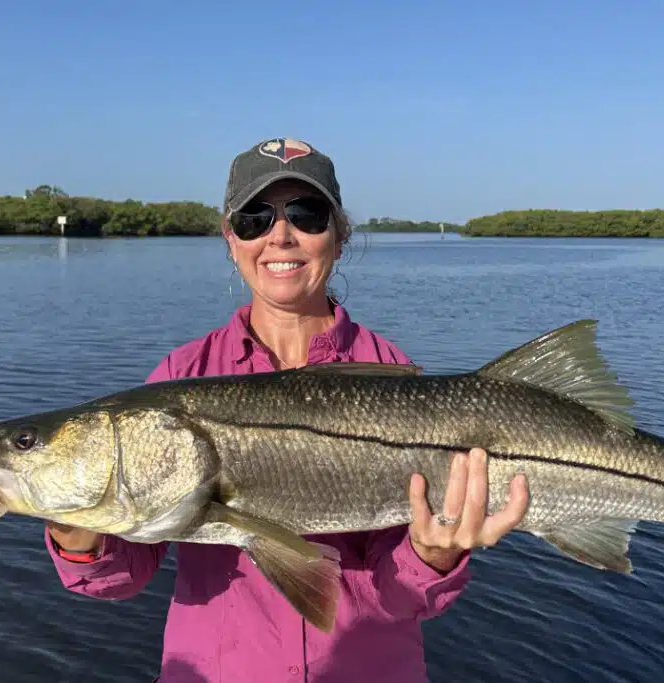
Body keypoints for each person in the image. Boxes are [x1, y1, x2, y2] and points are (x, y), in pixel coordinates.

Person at [43, 137, 530, 683]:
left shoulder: (393, 373)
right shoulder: (182, 376)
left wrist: (433, 556)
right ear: (231, 240)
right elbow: (122, 577)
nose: (279, 234)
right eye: (254, 218)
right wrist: (76, 525)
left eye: (306, 213)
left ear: (340, 235)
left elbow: (400, 596)